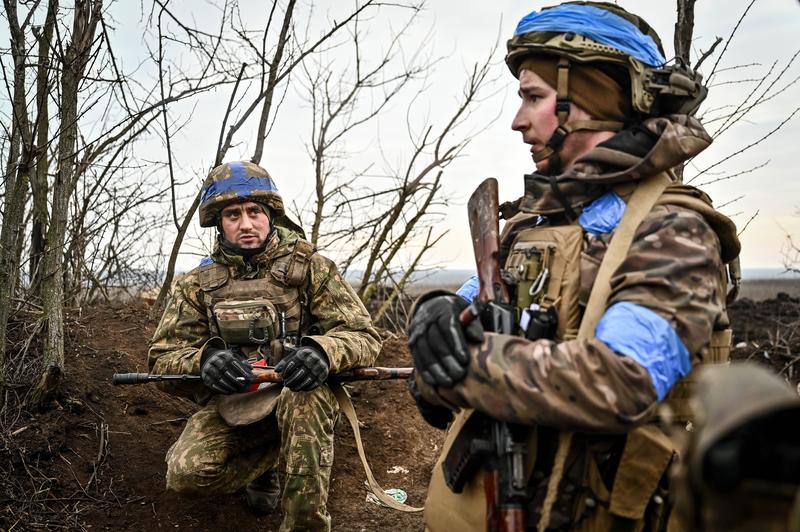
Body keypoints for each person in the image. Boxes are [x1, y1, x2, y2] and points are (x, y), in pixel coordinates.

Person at [407, 2, 741, 530]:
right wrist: (433, 320)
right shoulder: (531, 225)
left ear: (592, 99)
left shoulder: (673, 233)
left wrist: (462, 368)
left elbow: (620, 382)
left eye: (534, 97)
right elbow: (464, 311)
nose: (518, 121)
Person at [148, 160, 381, 531]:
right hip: (239, 403)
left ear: (270, 214)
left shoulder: (311, 267)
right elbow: (162, 359)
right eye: (233, 215)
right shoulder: (196, 284)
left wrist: (321, 351)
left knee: (305, 400)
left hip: (302, 398)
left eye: (254, 212)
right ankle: (265, 463)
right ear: (219, 222)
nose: (246, 224)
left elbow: (363, 334)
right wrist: (205, 361)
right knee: (186, 474)